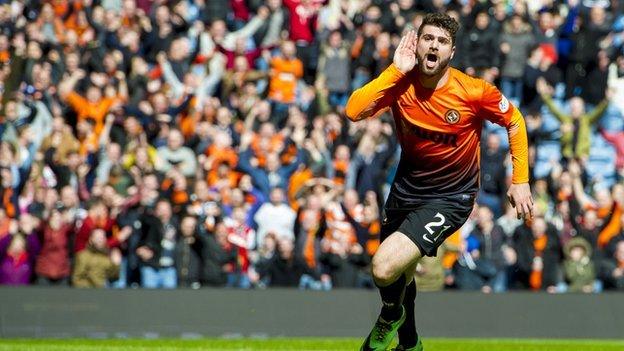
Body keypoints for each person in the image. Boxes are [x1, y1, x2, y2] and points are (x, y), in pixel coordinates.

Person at [345, 13, 532, 351]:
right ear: (416, 44)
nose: (433, 45)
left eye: (441, 41)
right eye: (427, 38)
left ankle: (389, 317)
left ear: (452, 51)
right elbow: (353, 111)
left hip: (451, 197)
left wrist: (521, 179)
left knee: (384, 267)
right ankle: (410, 341)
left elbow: (514, 119)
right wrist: (395, 69)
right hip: (405, 188)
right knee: (402, 272)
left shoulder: (473, 92)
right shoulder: (400, 82)